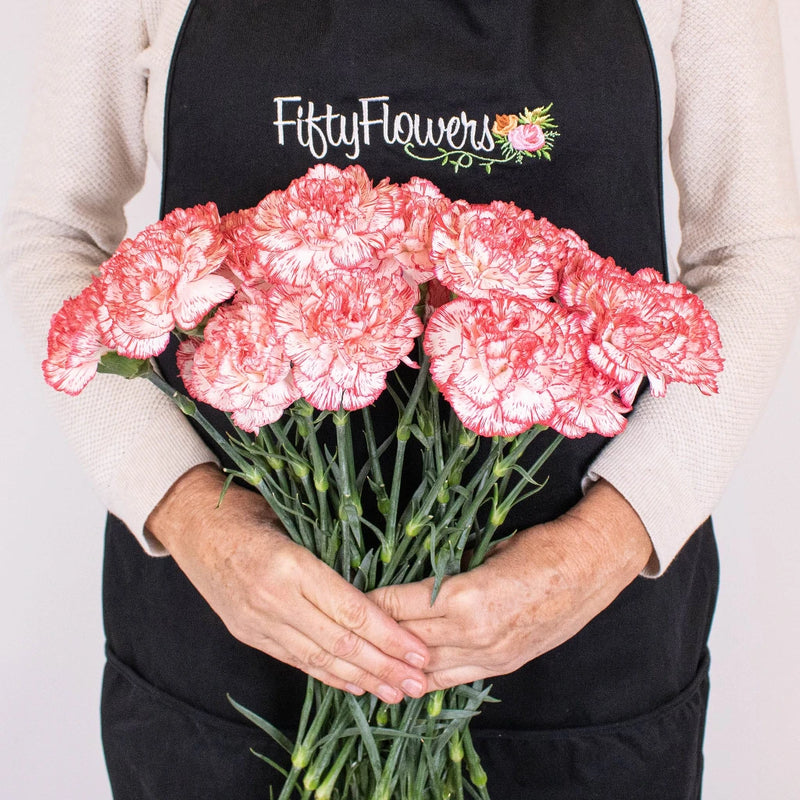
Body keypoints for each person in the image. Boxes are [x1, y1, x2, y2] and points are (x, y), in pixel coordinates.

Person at [2, 1, 798, 798]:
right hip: (231, 627)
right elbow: (51, 231)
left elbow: (754, 250)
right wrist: (185, 511)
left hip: (580, 645)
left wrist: (603, 546)